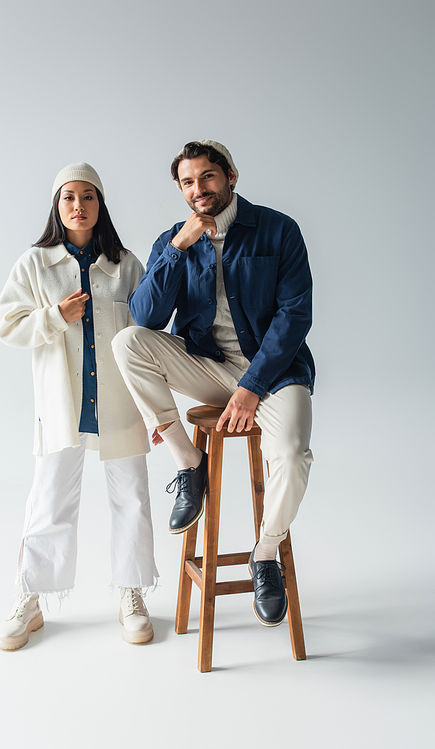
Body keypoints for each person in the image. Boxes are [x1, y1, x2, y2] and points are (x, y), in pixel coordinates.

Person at [112, 141, 314, 628]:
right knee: (128, 342)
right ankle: (188, 461)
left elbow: (295, 316)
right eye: (188, 182)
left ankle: (266, 554)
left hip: (274, 373)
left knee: (290, 453)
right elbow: (146, 317)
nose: (198, 189)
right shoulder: (172, 240)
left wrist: (251, 387)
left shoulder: (278, 229)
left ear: (231, 176)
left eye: (207, 177)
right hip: (207, 367)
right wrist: (178, 250)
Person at [0, 162, 158, 650]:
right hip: (62, 404)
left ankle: (132, 592)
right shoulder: (33, 264)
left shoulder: (126, 264)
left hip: (121, 403)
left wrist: (154, 409)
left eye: (88, 197)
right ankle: (30, 597)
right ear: (57, 205)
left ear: (100, 204)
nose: (78, 206)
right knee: (49, 501)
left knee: (130, 498)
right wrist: (54, 315)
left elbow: (147, 334)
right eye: (69, 197)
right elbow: (8, 325)